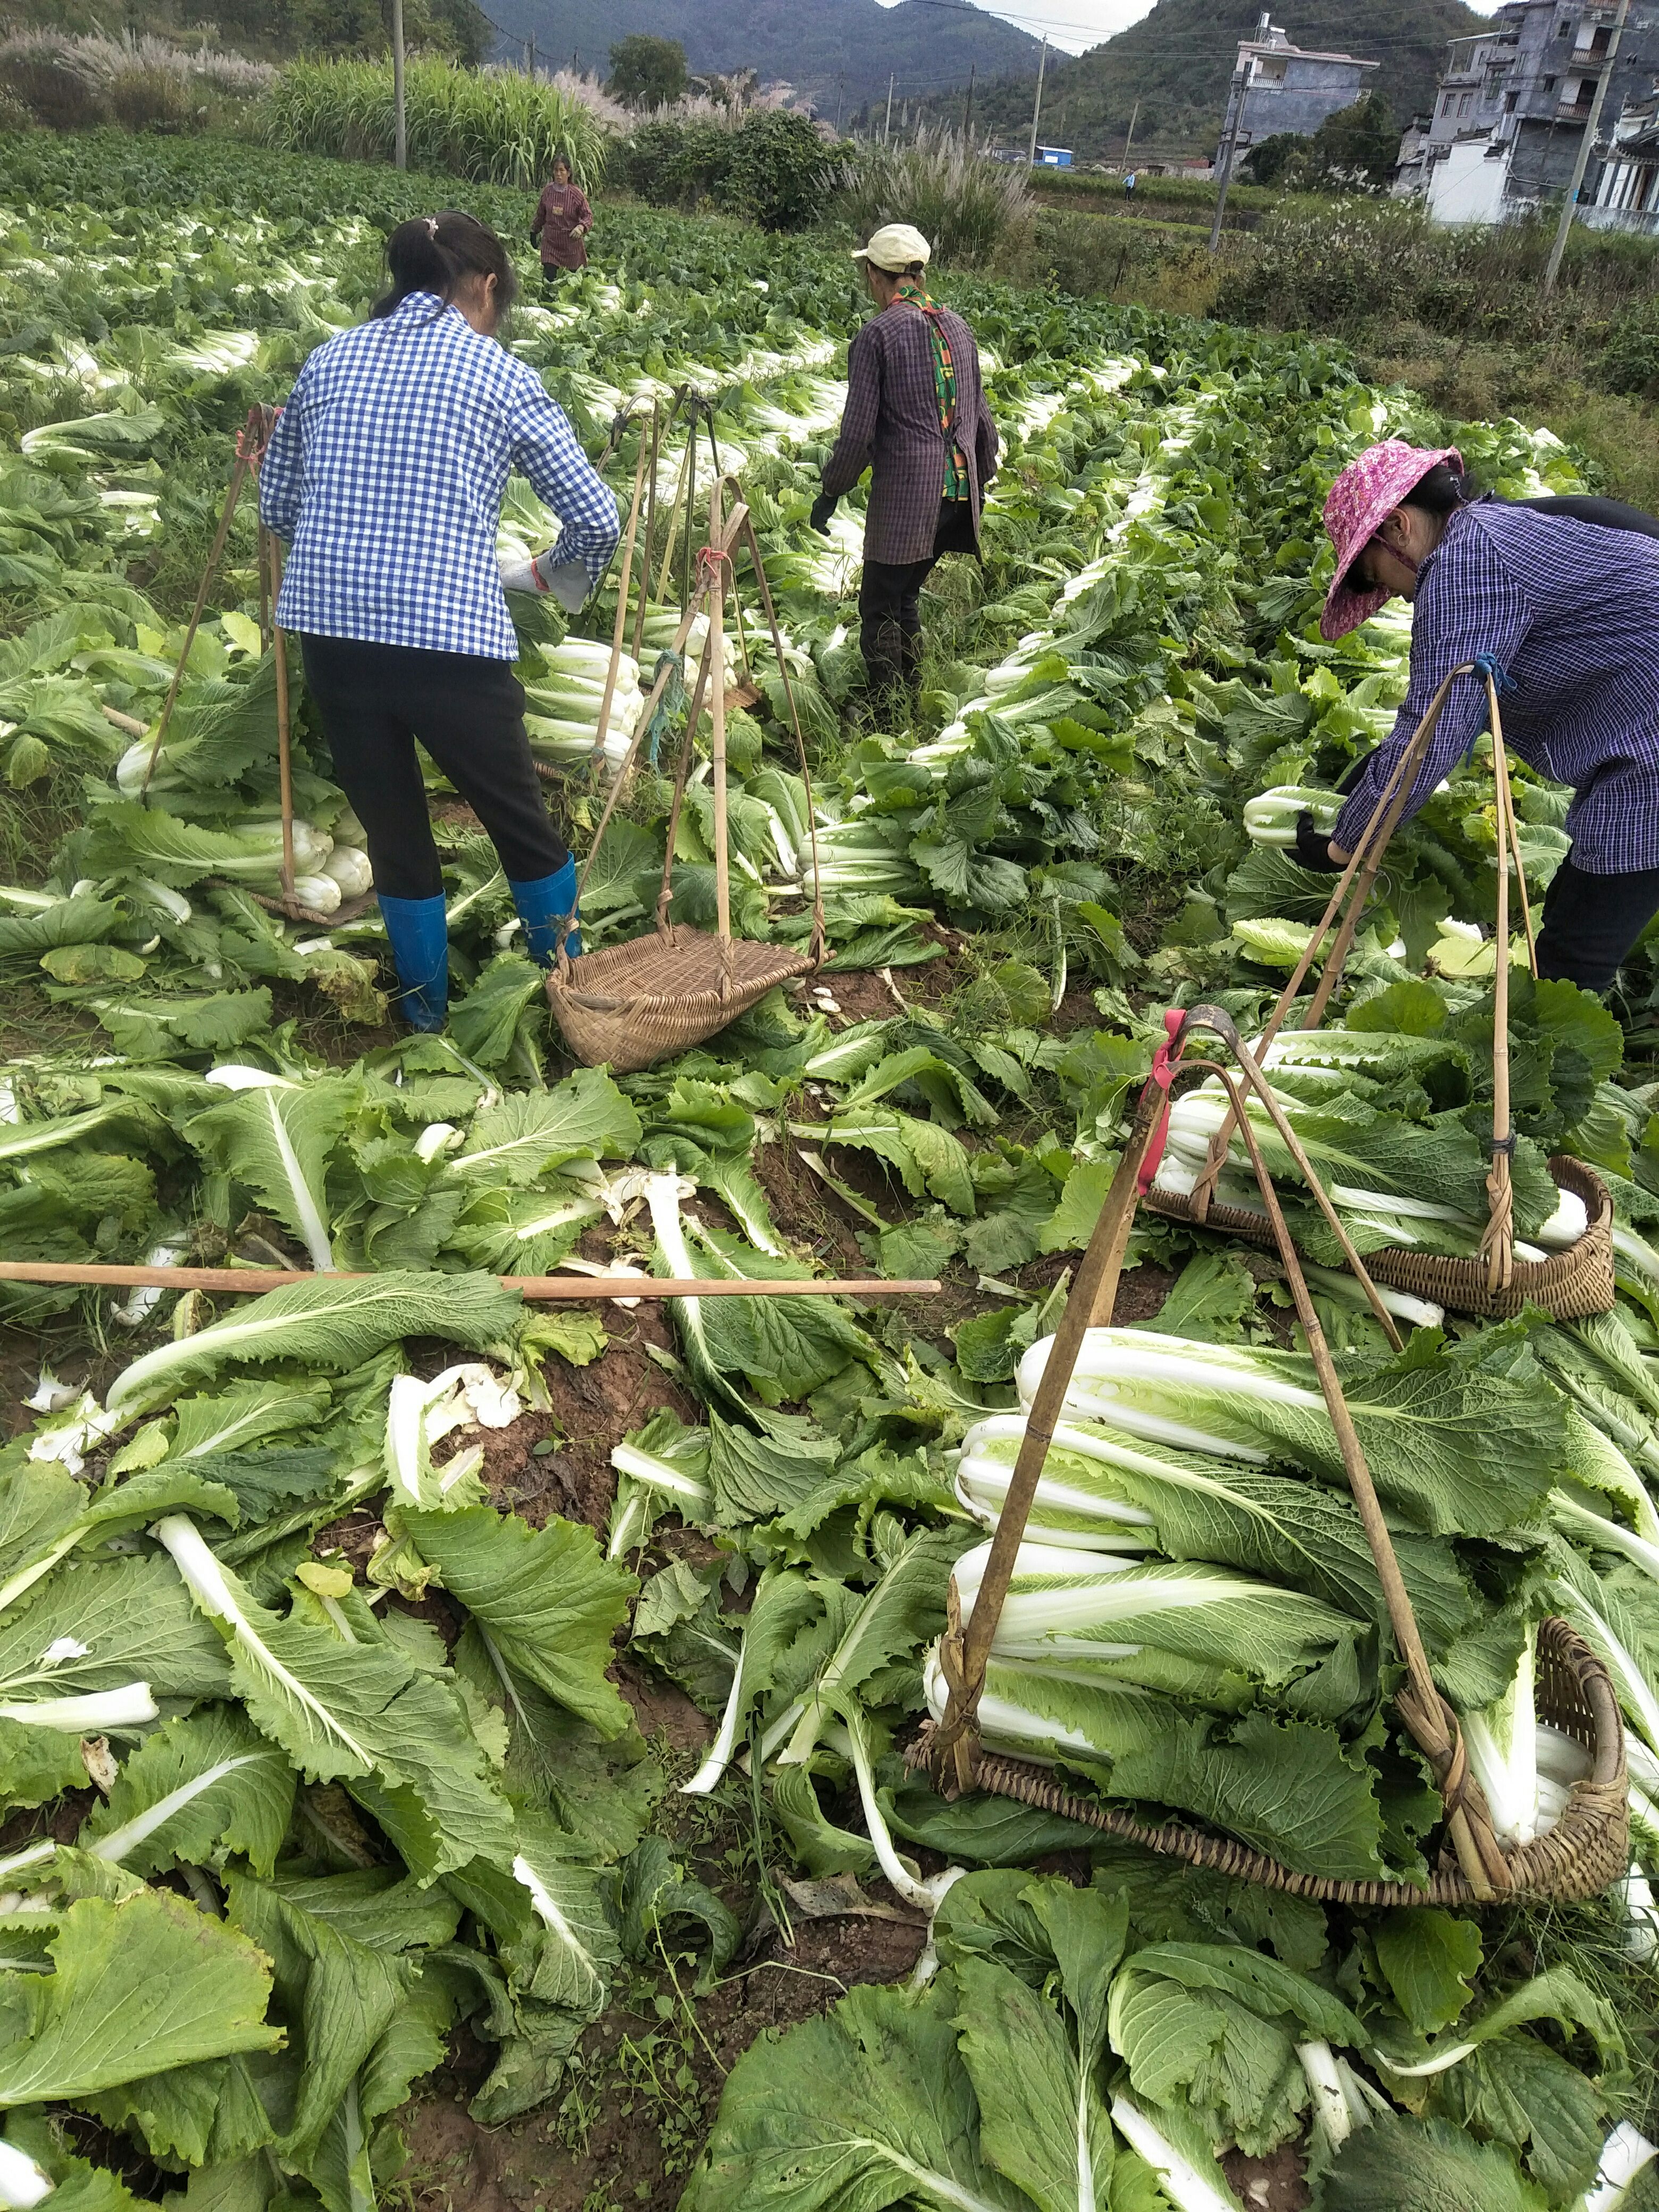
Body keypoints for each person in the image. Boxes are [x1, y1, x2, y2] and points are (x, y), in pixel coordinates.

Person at [258, 209, 618, 1032]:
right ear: (487, 286)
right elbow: (598, 518)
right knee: (518, 821)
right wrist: (547, 577)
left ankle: (424, 1018)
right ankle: (565, 991)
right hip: (449, 640)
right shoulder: (497, 375)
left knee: (394, 829)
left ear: (400, 276)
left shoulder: (328, 360)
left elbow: (280, 505)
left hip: (335, 635)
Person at [1299, 440, 1659, 995]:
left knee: (1574, 959)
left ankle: (1548, 1072)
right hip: (1637, 734)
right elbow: (1454, 707)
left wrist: (1344, 845)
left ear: (1397, 528)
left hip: (1649, 755)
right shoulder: (1494, 529)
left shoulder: (1466, 562)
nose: (1390, 597)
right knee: (1575, 905)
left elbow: (1433, 735)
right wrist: (1376, 773)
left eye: (1372, 578)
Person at [810, 222, 998, 706]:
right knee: (903, 596)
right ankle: (909, 694)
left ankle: (887, 710)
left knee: (877, 606)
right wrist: (981, 478)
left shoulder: (877, 335)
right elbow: (981, 418)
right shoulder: (959, 327)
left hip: (912, 498)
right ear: (919, 273)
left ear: (875, 275)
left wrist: (832, 491)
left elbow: (857, 435)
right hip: (958, 492)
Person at [530, 155, 593, 290]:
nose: (558, 174)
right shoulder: (547, 192)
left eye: (562, 171)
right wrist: (534, 231)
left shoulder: (576, 195)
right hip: (551, 245)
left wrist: (581, 227)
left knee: (570, 287)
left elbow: (588, 215)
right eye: (556, 170)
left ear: (568, 173)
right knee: (550, 283)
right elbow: (541, 214)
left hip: (570, 247)